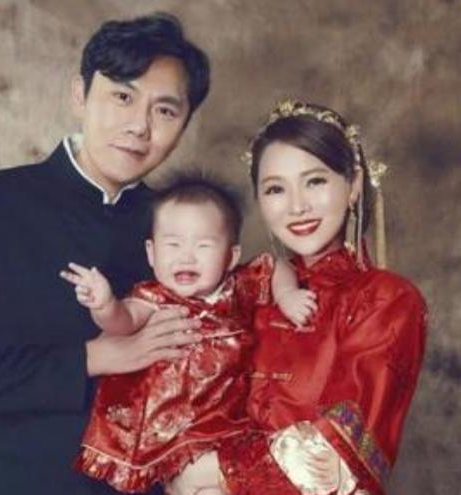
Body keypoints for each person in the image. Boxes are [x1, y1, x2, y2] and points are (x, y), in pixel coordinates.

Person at [0, 13, 212, 495]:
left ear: (184, 124)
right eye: (123, 97)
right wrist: (93, 357)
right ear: (79, 94)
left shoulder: (188, 231)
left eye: (165, 111)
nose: (139, 126)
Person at [172, 99, 428, 495]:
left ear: (353, 184)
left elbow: (338, 454)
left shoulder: (386, 300)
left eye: (315, 181)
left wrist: (210, 472)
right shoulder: (243, 291)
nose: (297, 206)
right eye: (276, 189)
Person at [60, 174, 316, 493]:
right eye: (173, 245)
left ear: (231, 256)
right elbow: (122, 322)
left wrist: (288, 294)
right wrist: (104, 304)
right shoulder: (155, 298)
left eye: (203, 246)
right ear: (152, 253)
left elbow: (276, 266)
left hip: (227, 421)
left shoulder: (238, 287)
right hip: (170, 429)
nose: (186, 256)